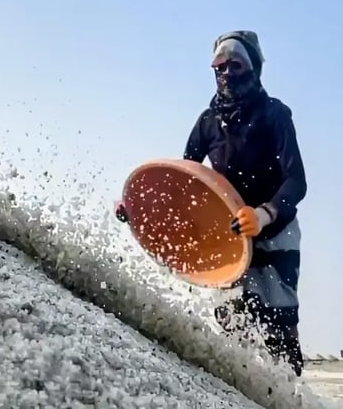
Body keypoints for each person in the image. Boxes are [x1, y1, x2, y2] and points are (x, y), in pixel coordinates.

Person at [114, 30, 307, 376]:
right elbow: (182, 179)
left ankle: (290, 392)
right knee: (232, 316)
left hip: (275, 229)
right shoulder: (208, 122)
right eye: (220, 66)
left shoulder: (275, 115)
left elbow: (296, 181)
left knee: (277, 319)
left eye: (237, 64)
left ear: (254, 69)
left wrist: (265, 214)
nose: (228, 73)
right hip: (230, 232)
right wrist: (140, 208)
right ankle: (239, 386)